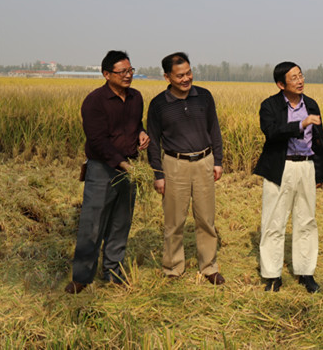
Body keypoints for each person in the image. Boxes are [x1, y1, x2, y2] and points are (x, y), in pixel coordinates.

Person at [66, 50, 149, 294]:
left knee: (121, 224)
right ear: (106, 74)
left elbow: (135, 124)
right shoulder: (95, 101)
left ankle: (113, 273)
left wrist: (142, 133)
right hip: (102, 169)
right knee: (92, 225)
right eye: (122, 71)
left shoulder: (136, 98)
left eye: (130, 70)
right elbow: (98, 140)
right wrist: (122, 164)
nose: (128, 75)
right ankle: (82, 277)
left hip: (129, 169)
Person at [253, 62, 323, 293]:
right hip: (280, 167)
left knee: (306, 220)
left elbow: (318, 141)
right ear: (281, 84)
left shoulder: (311, 104)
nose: (300, 81)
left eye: (301, 75)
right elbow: (271, 132)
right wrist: (301, 124)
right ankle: (272, 275)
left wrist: (319, 172)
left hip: (306, 167)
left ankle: (305, 272)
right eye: (294, 78)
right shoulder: (270, 105)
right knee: (273, 221)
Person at [147, 52, 225, 285]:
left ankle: (209, 267)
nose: (186, 78)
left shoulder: (204, 97)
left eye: (188, 73)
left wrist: (218, 161)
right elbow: (153, 141)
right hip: (174, 165)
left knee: (206, 219)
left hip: (204, 161)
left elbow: (214, 130)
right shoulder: (158, 104)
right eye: (179, 75)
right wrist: (158, 174)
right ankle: (173, 267)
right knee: (174, 221)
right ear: (167, 77)